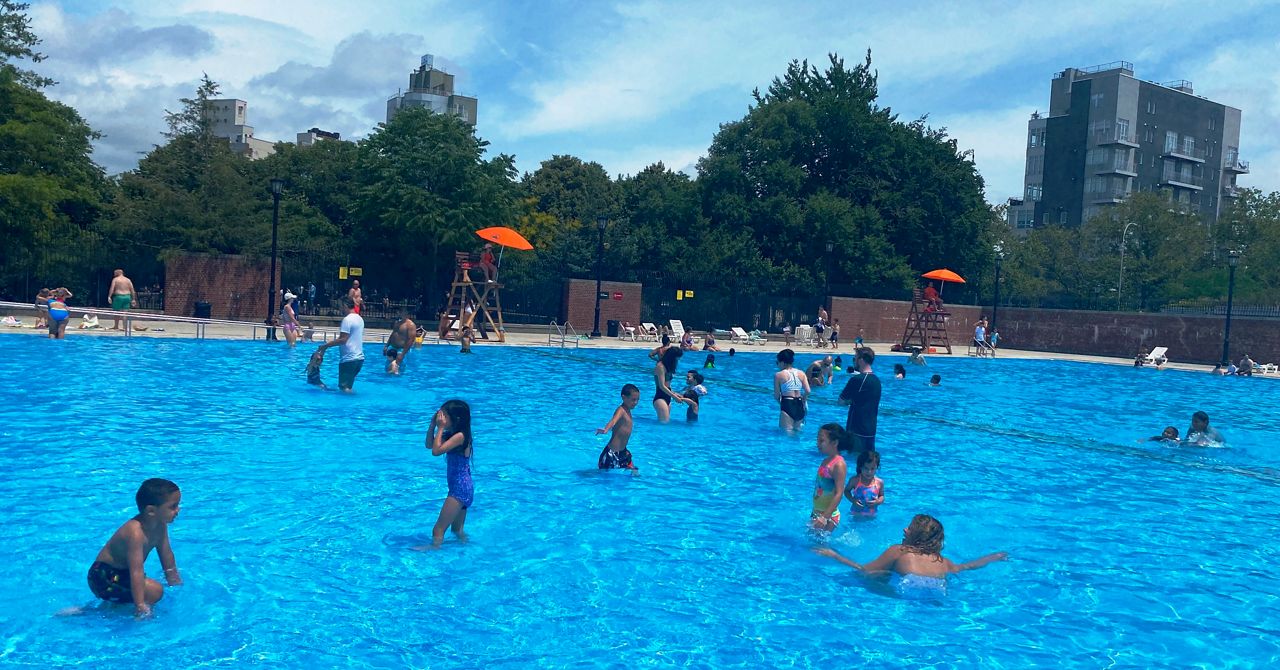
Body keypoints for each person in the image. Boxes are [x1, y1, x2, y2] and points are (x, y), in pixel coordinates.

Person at [814, 514, 1008, 598]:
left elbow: (863, 569)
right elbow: (967, 567)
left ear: (918, 536)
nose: (905, 529)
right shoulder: (941, 561)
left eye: (910, 528)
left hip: (902, 593)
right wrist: (993, 557)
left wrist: (834, 555)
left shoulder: (899, 551)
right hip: (937, 595)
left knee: (865, 577)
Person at [88, 478, 183, 617]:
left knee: (149, 589)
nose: (177, 510)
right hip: (102, 576)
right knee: (155, 591)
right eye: (173, 506)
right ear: (151, 511)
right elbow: (136, 571)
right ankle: (92, 612)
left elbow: (166, 555)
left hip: (120, 575)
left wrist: (175, 583)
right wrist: (140, 606)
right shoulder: (135, 533)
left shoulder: (160, 525)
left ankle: (104, 608)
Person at [419, 400, 473, 549]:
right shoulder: (452, 434)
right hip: (462, 486)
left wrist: (441, 427)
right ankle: (466, 552)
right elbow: (429, 445)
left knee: (438, 530)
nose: (440, 418)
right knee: (457, 531)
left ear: (456, 419)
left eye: (444, 416)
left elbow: (436, 452)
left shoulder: (460, 436)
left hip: (459, 488)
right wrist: (433, 426)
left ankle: (434, 551)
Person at [838, 347, 881, 454]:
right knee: (867, 462)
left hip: (856, 429)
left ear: (861, 360)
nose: (854, 362)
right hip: (871, 429)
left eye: (855, 359)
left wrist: (850, 401)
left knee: (854, 461)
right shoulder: (877, 381)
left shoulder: (857, 379)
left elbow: (841, 401)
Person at [317, 297, 364, 392]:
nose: (339, 309)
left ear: (345, 305)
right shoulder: (359, 318)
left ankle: (348, 406)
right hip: (359, 359)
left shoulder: (347, 320)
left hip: (349, 359)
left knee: (344, 388)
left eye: (340, 306)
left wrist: (325, 346)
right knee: (348, 386)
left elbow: (343, 340)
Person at [811, 424, 848, 532]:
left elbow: (839, 493)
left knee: (819, 547)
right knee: (811, 544)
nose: (817, 444)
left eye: (821, 441)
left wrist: (824, 517)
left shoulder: (839, 465)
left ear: (835, 443)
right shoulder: (826, 461)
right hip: (817, 512)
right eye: (817, 440)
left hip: (828, 516)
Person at [773, 348, 811, 432]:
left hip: (787, 403)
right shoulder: (801, 373)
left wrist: (782, 404)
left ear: (782, 362)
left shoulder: (779, 375)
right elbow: (808, 391)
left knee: (786, 434)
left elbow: (776, 396)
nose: (777, 365)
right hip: (799, 404)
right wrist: (804, 401)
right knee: (797, 432)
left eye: (777, 363)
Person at [844, 450, 884, 518]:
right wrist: (853, 500)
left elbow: (882, 496)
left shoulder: (879, 482)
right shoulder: (855, 480)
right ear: (860, 467)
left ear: (877, 467)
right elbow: (846, 491)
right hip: (856, 513)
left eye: (872, 469)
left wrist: (878, 502)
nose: (869, 472)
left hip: (872, 515)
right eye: (866, 468)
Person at [652, 347, 687, 423]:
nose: (678, 360)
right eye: (677, 358)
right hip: (660, 397)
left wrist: (675, 394)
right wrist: (674, 397)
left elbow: (667, 386)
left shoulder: (668, 367)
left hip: (668, 397)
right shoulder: (660, 367)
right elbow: (662, 386)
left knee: (666, 423)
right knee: (664, 423)